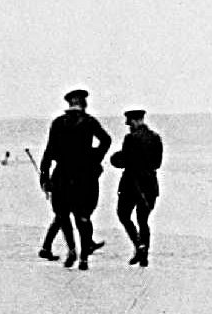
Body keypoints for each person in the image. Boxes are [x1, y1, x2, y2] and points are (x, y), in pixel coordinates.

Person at [40, 89, 111, 270]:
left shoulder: (58, 122)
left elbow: (49, 151)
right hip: (83, 176)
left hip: (61, 175)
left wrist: (44, 176)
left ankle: (71, 250)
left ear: (69, 104)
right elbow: (106, 140)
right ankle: (84, 258)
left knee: (63, 216)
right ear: (83, 104)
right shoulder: (89, 121)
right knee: (83, 217)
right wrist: (94, 157)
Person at [110, 109, 163, 267]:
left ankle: (139, 246)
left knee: (123, 215)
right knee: (143, 220)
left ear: (135, 121)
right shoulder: (156, 137)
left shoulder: (130, 138)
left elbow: (126, 161)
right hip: (150, 184)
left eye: (130, 123)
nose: (129, 126)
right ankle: (143, 255)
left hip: (131, 184)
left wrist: (115, 159)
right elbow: (157, 163)